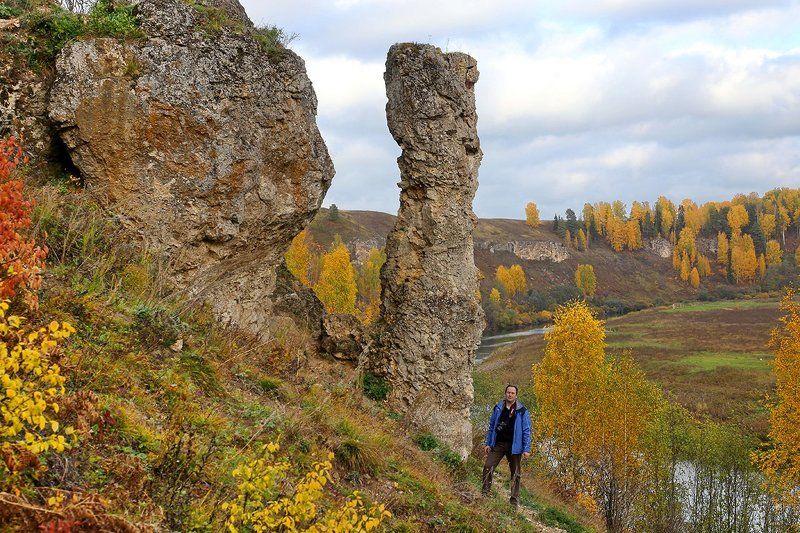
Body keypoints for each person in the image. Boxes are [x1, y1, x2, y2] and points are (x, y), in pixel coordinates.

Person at [481, 384, 532, 507]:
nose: (510, 394)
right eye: (508, 392)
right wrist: (488, 443)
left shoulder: (522, 411)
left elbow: (526, 430)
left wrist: (526, 449)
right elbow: (492, 426)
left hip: (514, 447)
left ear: (516, 395)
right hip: (498, 444)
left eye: (512, 393)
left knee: (515, 473)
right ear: (505, 393)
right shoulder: (498, 407)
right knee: (488, 466)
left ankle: (514, 501)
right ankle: (485, 493)